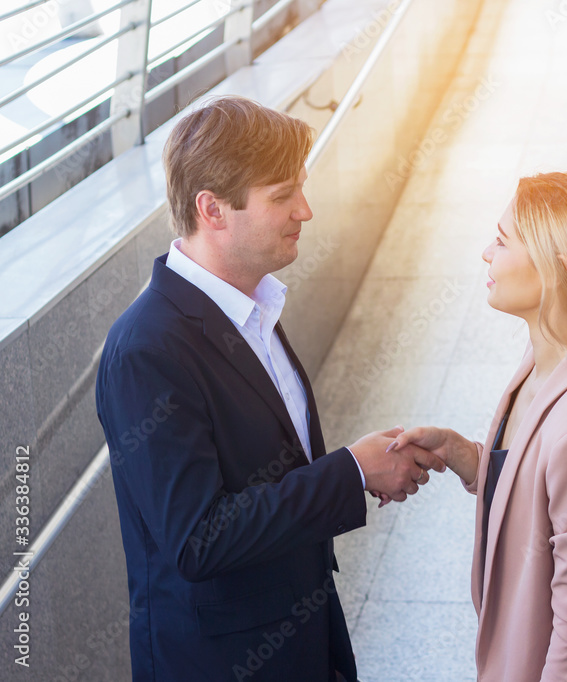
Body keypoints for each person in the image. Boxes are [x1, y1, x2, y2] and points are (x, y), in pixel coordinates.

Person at [94, 96, 443, 682]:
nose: (304, 210)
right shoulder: (146, 349)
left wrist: (360, 466)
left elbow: (267, 477)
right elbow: (197, 540)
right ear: (213, 210)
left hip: (303, 638)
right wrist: (350, 473)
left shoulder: (252, 305)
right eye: (282, 196)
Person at [391, 171, 567, 681]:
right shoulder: (549, 358)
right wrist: (466, 456)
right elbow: (539, 484)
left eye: (502, 241)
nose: (485, 253)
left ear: (555, 271)